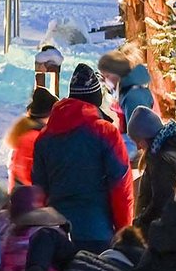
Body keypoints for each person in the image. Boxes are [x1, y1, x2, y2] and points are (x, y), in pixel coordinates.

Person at [31, 64, 132, 246]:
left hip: (57, 234)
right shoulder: (105, 133)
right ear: (96, 100)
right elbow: (120, 185)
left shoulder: (44, 138)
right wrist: (124, 230)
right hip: (97, 232)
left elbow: (38, 190)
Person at [134, 121, 176, 228]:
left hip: (170, 230)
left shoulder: (166, 159)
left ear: (146, 138)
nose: (137, 147)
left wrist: (140, 223)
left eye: (137, 141)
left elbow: (163, 201)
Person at [5, 86, 57, 190]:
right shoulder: (35, 138)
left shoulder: (26, 132)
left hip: (23, 197)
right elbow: (30, 176)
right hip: (30, 200)